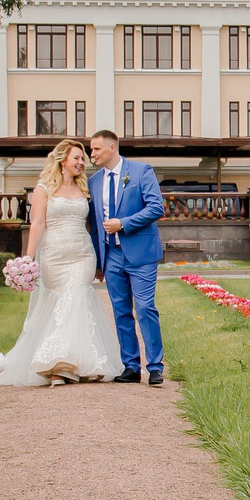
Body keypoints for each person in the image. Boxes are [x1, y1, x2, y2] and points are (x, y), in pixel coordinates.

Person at [0, 138, 123, 388]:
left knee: (78, 298)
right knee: (62, 304)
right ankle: (58, 363)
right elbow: (37, 224)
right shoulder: (44, 189)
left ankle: (70, 365)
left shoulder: (85, 190)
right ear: (62, 161)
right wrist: (28, 258)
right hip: (54, 256)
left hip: (82, 254)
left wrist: (100, 259)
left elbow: (92, 225)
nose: (82, 162)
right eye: (77, 158)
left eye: (83, 158)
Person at [86, 128, 166, 384]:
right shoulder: (94, 181)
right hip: (112, 256)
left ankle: (155, 367)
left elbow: (156, 207)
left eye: (96, 149)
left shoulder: (142, 171)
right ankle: (131, 366)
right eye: (90, 149)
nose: (92, 154)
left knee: (144, 308)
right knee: (121, 312)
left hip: (141, 253)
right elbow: (96, 224)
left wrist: (124, 223)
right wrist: (100, 260)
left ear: (112, 147)